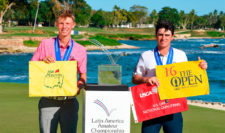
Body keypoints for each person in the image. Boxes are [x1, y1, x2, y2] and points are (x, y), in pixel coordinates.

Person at [132, 19, 207, 133]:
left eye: (167, 35)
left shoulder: (180, 55)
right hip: (151, 108)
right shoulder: (145, 56)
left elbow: (188, 79)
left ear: (172, 36)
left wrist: (200, 67)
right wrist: (146, 79)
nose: (163, 38)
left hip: (174, 108)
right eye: (160, 34)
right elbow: (135, 78)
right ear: (156, 35)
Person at [31, 10, 87, 133]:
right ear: (56, 24)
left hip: (70, 102)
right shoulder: (45, 44)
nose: (64, 26)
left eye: (67, 23)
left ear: (73, 25)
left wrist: (78, 88)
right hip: (48, 101)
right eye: (61, 23)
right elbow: (33, 69)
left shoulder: (80, 50)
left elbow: (83, 76)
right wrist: (42, 62)